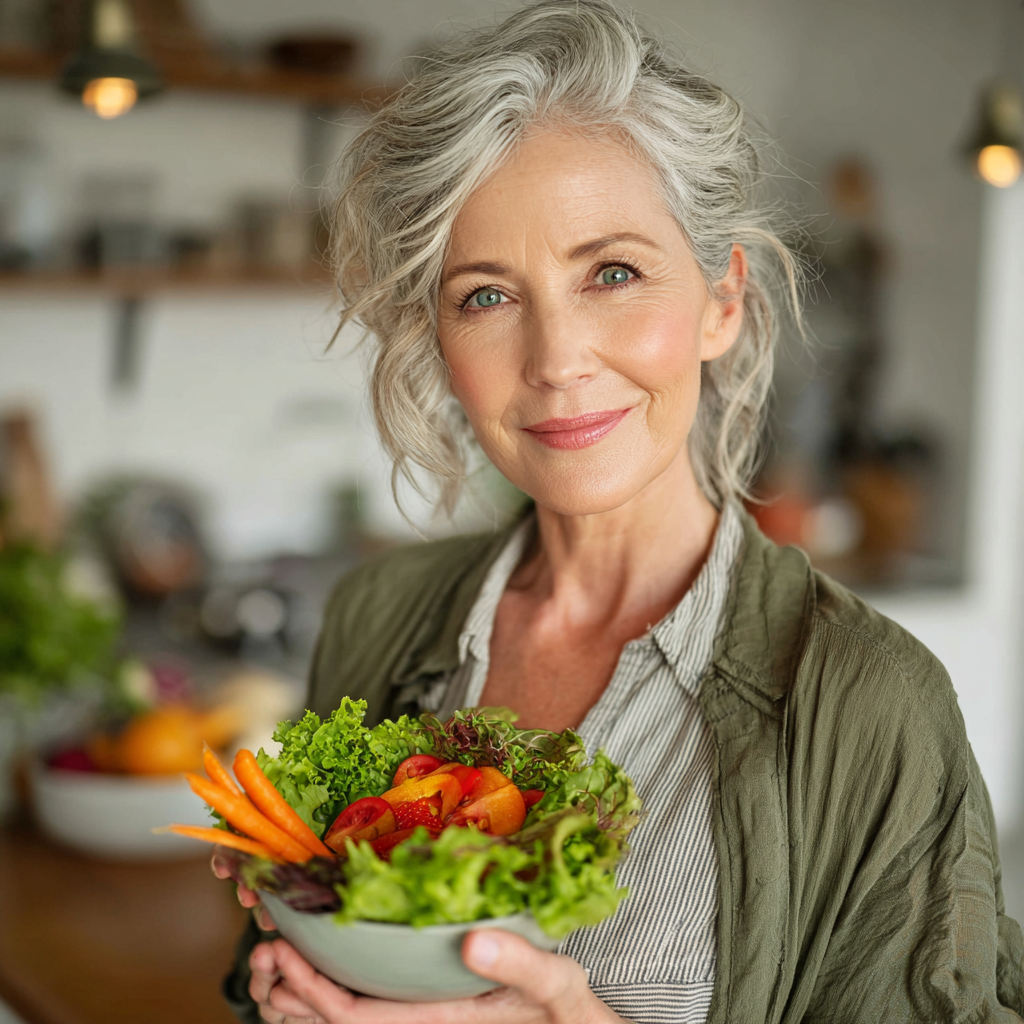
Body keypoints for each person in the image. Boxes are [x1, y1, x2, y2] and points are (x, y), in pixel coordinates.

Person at [217, 2, 1024, 1022]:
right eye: (485, 295)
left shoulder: (869, 705)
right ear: (437, 338)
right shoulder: (379, 614)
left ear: (720, 301)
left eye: (613, 272)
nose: (556, 361)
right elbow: (297, 935)